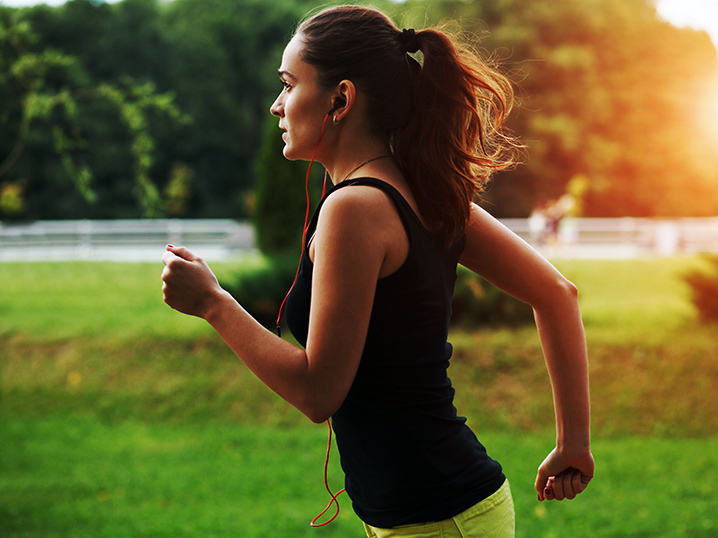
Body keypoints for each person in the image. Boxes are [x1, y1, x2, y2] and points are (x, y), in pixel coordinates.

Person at [160, 5, 593, 537]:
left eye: (289, 84)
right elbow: (557, 293)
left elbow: (318, 392)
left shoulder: (355, 209)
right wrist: (573, 443)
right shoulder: (426, 190)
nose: (276, 106)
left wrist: (213, 303)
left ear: (340, 99)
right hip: (439, 513)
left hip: (437, 521)